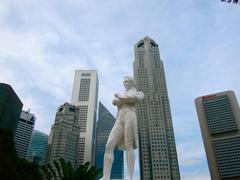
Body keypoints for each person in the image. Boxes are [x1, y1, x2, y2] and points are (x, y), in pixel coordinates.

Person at [100, 76, 144, 180]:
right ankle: (106, 176)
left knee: (129, 145)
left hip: (130, 115)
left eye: (126, 81)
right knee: (109, 145)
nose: (124, 83)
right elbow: (114, 102)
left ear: (131, 83)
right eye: (123, 81)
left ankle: (129, 176)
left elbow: (136, 98)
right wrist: (125, 99)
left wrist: (120, 96)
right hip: (120, 117)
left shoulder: (138, 92)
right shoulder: (126, 94)